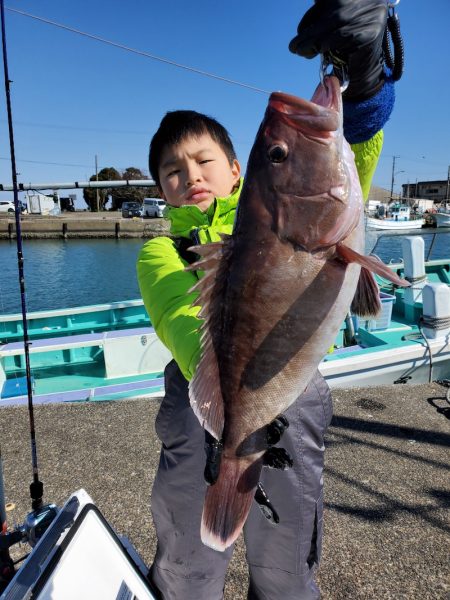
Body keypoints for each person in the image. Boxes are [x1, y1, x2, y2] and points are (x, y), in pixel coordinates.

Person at [137, 1, 397, 597]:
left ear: (236, 171)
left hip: (292, 400)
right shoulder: (158, 254)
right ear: (160, 190)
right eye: (172, 171)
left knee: (286, 557)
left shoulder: (285, 214)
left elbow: (352, 149)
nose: (190, 175)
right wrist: (228, 406)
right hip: (205, 405)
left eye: (204, 161)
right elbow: (184, 326)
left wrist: (369, 80)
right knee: (185, 554)